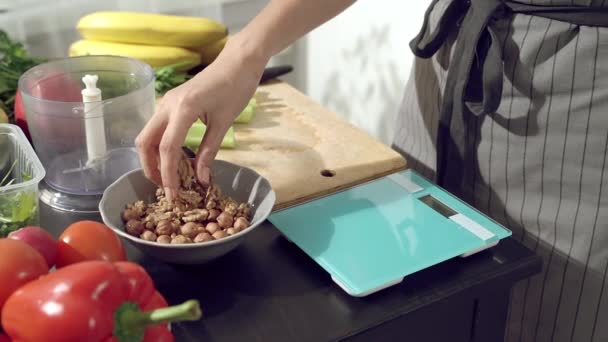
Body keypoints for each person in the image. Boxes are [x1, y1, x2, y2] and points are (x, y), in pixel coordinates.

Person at [135, 0, 608, 341]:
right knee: (408, 302)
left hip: (579, 82)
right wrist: (243, 55)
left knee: (546, 311)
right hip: (450, 54)